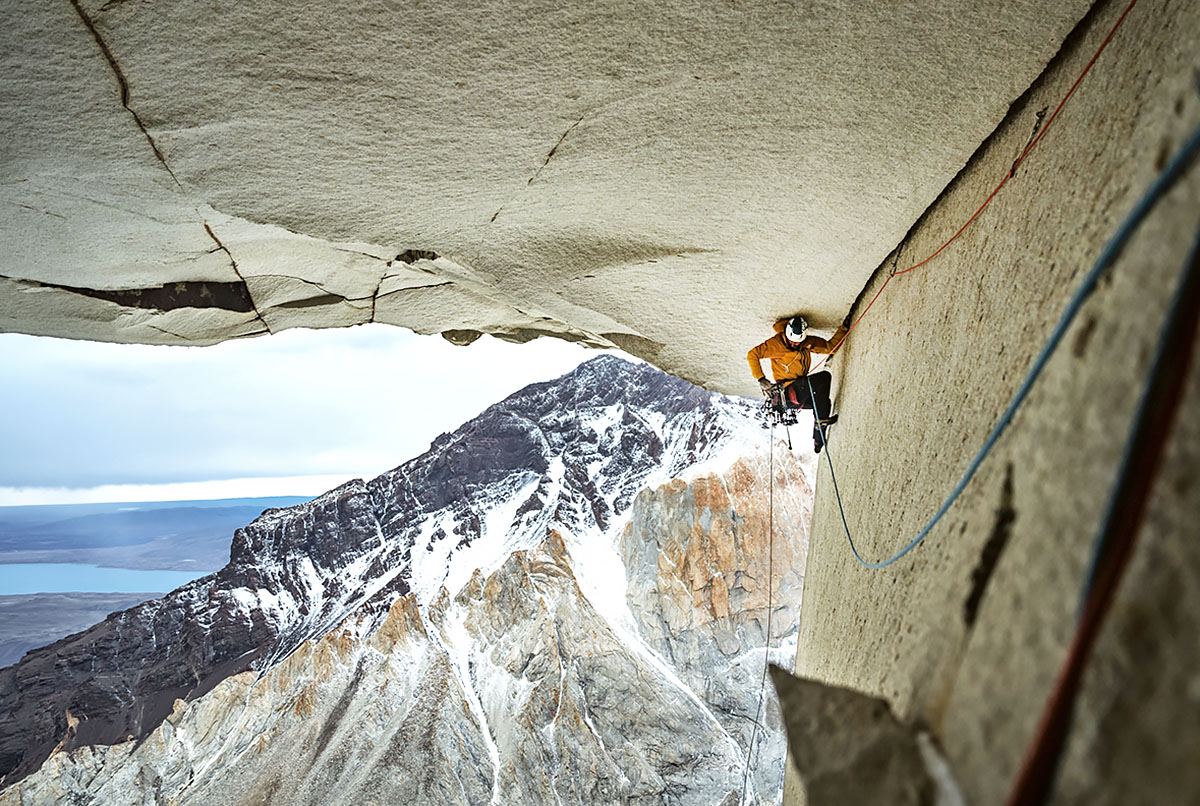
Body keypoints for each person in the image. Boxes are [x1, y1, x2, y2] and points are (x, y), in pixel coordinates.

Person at [747, 315, 846, 452]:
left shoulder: (806, 343)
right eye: (792, 342)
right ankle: (820, 422)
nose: (794, 344)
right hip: (787, 392)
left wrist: (844, 328)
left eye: (797, 343)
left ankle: (818, 441)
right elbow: (753, 355)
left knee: (822, 402)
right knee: (823, 378)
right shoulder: (776, 344)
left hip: (797, 391)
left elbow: (830, 348)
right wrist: (761, 378)